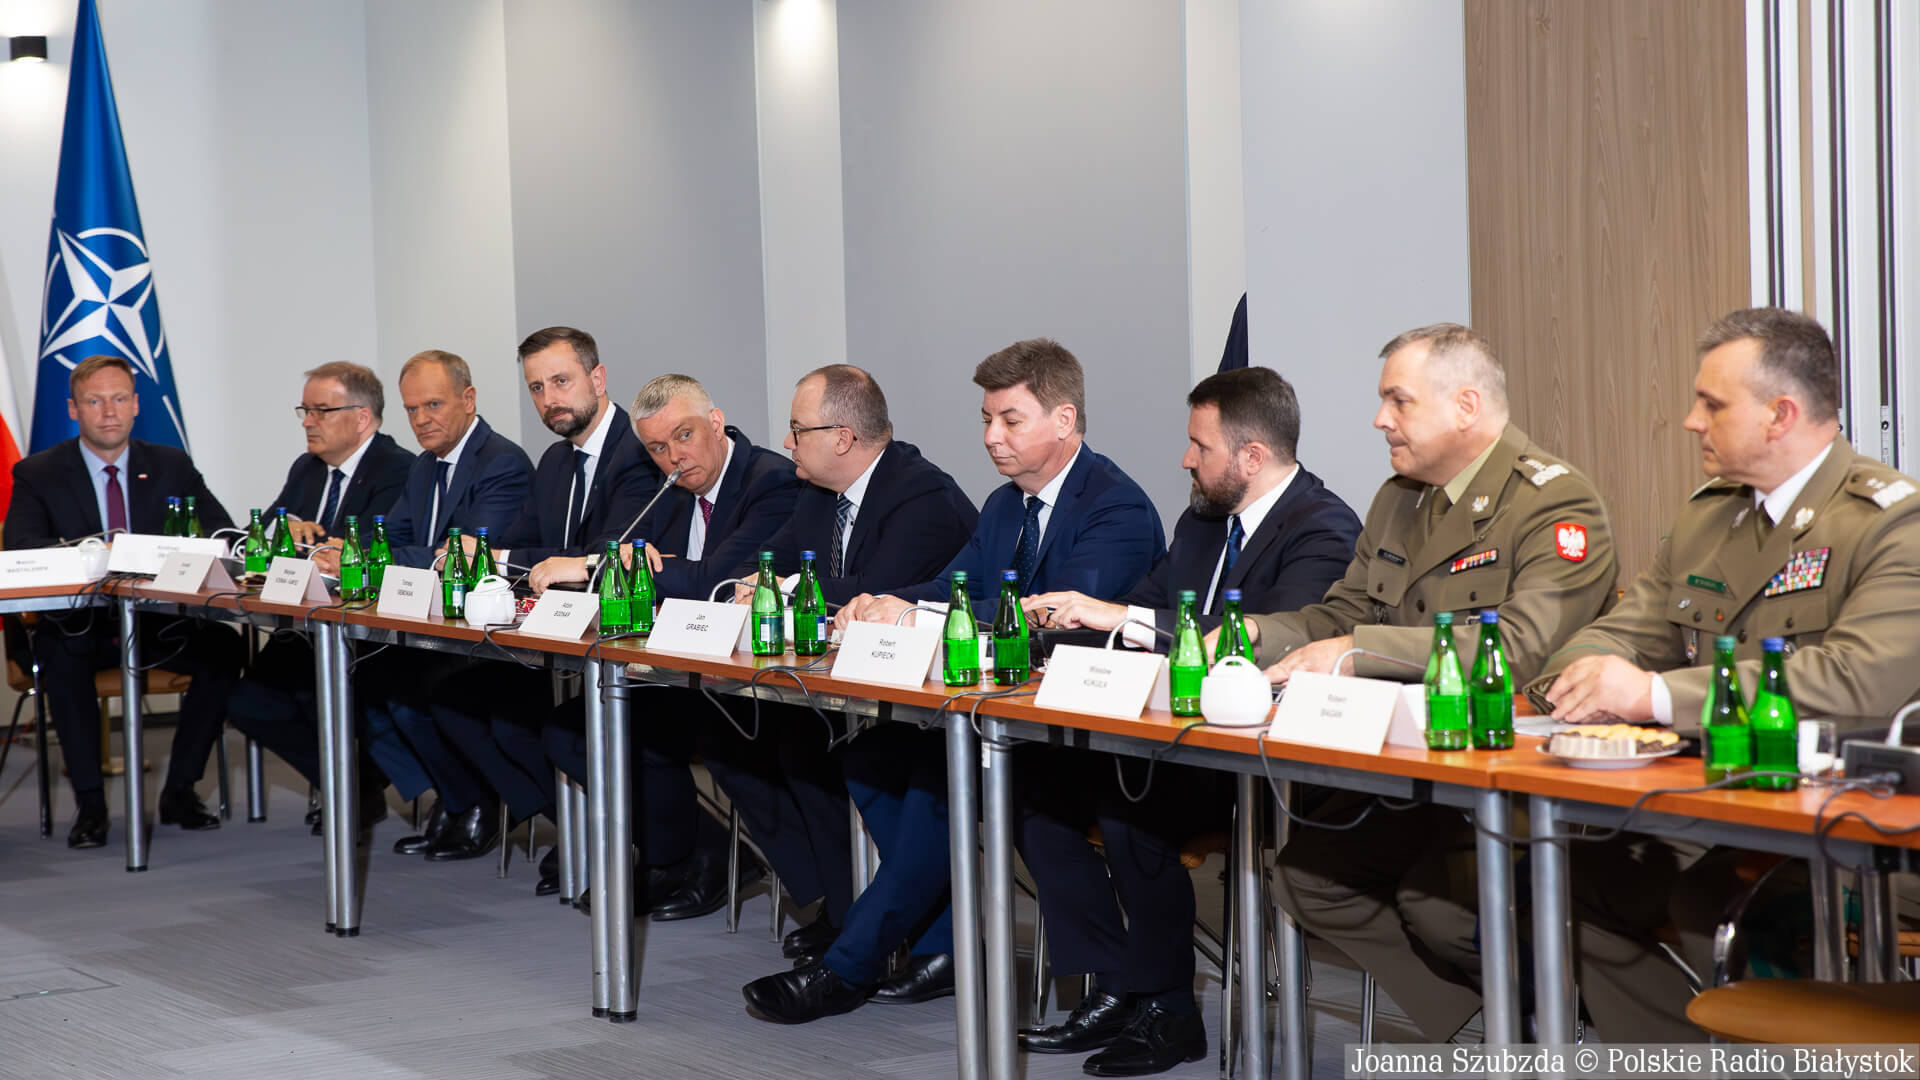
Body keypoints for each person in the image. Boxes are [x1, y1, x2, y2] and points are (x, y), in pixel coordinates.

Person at [1521, 307, 1920, 1041]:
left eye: (1712, 404)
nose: (1690, 421)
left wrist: (1650, 694)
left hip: (1854, 825)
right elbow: (1628, 628)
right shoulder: (1709, 517)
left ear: (1780, 414)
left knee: (1717, 903)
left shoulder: (1890, 522)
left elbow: (1857, 682)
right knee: (1573, 880)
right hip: (1719, 800)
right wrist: (1578, 676)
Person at [741, 338, 1164, 1025]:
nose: (992, 437)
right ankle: (942, 946)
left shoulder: (1116, 508)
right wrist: (893, 603)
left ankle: (848, 966)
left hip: (1083, 732)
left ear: (1064, 420)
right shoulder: (1005, 505)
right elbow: (950, 586)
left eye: (1011, 420)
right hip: (1000, 715)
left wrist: (922, 614)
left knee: (939, 784)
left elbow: (1052, 620)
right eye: (987, 420)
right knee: (873, 758)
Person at [1247, 324, 1618, 1043]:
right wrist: (1257, 635)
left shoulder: (1553, 503)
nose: (1380, 419)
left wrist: (1356, 653)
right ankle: (1491, 1023)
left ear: (1466, 406)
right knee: (1306, 877)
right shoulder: (1401, 498)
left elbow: (1519, 650)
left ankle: (1545, 1018)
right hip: (1412, 767)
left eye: (1399, 401)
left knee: (1443, 914)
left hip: (1507, 779)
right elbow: (1343, 613)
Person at [1010, 366, 1360, 1074]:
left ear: (1251, 456)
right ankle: (1117, 984)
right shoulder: (1201, 524)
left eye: (1200, 446)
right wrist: (1051, 632)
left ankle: (1170, 1012)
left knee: (1130, 803)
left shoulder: (1324, 530)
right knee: (1032, 787)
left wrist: (1124, 617)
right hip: (1175, 741)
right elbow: (1139, 613)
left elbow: (1251, 642)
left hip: (1264, 763)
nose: (1185, 460)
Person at [719, 364, 978, 964]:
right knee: (748, 738)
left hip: (930, 703)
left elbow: (872, 595)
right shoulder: (819, 495)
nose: (786, 442)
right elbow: (770, 563)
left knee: (824, 752)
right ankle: (844, 907)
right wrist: (756, 582)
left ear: (841, 437)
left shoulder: (921, 495)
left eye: (797, 429)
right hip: (853, 686)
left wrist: (781, 590)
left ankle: (892, 928)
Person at [534, 372, 805, 916]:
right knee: (569, 729)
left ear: (715, 423)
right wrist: (626, 562)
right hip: (680, 672)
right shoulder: (673, 488)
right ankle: (686, 851)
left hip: (752, 683)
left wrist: (613, 565)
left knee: (652, 733)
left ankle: (691, 860)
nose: (673, 457)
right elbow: (630, 556)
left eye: (684, 436)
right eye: (657, 447)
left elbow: (717, 584)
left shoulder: (770, 482)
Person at [400, 326, 662, 865]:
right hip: (557, 643)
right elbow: (526, 546)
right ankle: (580, 830)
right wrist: (485, 554)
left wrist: (494, 557)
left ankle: (633, 844)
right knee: (455, 701)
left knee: (522, 724)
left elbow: (601, 556)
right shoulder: (557, 461)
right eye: (537, 388)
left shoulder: (637, 453)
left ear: (598, 378)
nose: (549, 398)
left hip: (627, 645)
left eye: (561, 381)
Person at [6, 355, 244, 848]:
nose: (109, 412)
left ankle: (180, 790)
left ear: (136, 405)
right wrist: (100, 553)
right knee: (61, 658)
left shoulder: (171, 465)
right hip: (79, 625)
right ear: (73, 409)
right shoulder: (39, 472)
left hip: (157, 622)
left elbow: (221, 534)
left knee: (224, 647)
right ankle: (91, 805)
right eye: (94, 401)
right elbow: (22, 549)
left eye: (119, 399)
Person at [265, 361, 413, 549]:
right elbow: (251, 535)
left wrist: (289, 538)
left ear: (362, 419)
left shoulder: (397, 469)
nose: (307, 423)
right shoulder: (306, 467)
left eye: (320, 411)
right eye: (306, 411)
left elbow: (356, 546)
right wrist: (283, 528)